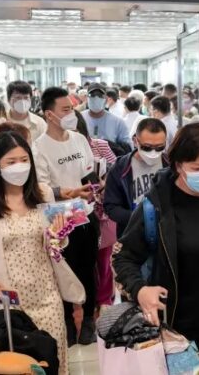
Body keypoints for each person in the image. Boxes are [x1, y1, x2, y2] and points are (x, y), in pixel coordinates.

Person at [113, 123, 199, 375]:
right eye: (197, 168)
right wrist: (140, 289)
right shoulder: (154, 208)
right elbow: (123, 258)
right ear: (178, 164)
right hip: (174, 326)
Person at [0, 131, 85, 375]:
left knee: (52, 361)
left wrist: (59, 235)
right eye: (11, 162)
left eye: (24, 160)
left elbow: (54, 244)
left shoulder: (43, 193)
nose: (20, 167)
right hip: (10, 302)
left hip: (48, 295)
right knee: (21, 366)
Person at [33, 87, 99, 346]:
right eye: (66, 110)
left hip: (86, 214)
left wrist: (94, 187)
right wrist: (68, 192)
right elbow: (41, 186)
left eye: (72, 108)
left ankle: (89, 322)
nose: (72, 113)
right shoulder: (38, 147)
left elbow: (89, 171)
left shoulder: (79, 139)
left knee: (88, 269)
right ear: (49, 114)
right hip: (58, 220)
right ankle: (69, 324)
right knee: (62, 271)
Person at [73, 110, 117, 309]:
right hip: (72, 212)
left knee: (103, 258)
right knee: (81, 258)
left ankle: (104, 298)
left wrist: (104, 183)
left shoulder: (99, 146)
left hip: (101, 209)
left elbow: (117, 169)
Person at [104, 118, 169, 237]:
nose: (153, 153)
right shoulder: (120, 168)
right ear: (135, 141)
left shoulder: (171, 165)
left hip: (166, 232)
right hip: (132, 234)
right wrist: (140, 217)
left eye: (159, 147)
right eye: (147, 147)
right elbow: (111, 207)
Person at [80, 83, 132, 151]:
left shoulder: (118, 122)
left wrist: (112, 146)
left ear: (106, 99)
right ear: (87, 98)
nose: (96, 98)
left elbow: (127, 147)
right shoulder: (79, 118)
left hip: (110, 160)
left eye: (100, 95)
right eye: (92, 95)